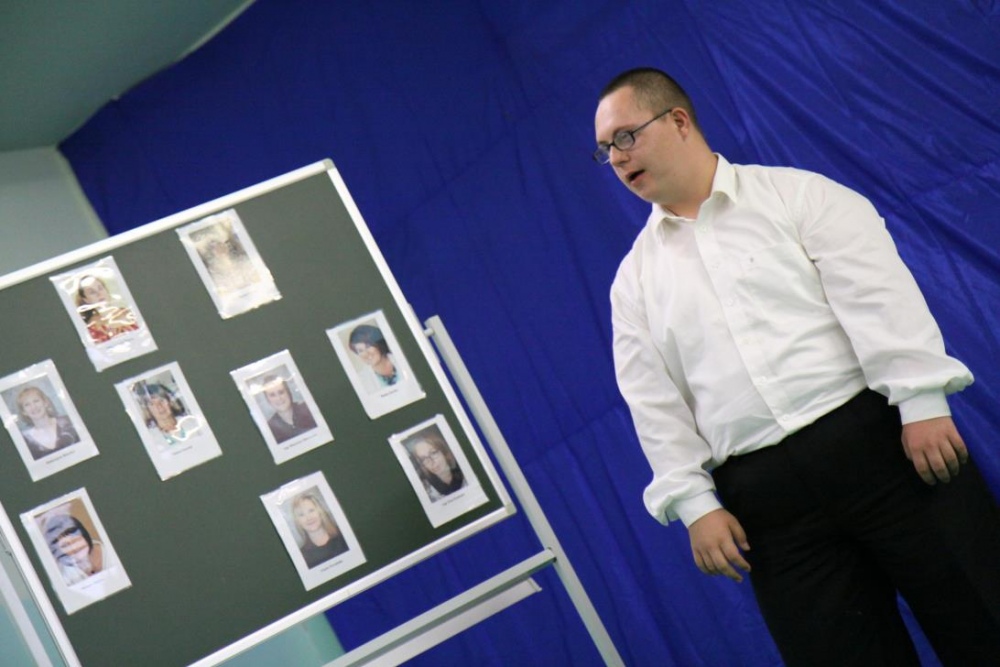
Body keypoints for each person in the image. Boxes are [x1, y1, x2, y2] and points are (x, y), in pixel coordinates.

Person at [596, 67, 1000, 666]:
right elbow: (653, 402)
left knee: (985, 621)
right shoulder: (633, 283)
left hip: (889, 448)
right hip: (769, 509)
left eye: (626, 136)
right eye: (605, 149)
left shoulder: (798, 196)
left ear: (679, 121)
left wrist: (922, 403)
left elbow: (878, 298)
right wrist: (695, 505)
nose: (616, 157)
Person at [15, 386, 80, 460]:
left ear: (45, 402)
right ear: (24, 412)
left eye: (36, 401)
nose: (33, 407)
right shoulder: (25, 441)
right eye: (27, 404)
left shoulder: (68, 421)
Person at [41, 512, 103, 585]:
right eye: (65, 545)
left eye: (75, 540)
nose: (73, 548)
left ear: (84, 536)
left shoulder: (108, 550)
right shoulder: (65, 577)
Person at [75, 274, 139, 343]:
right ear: (86, 300)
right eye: (92, 292)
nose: (99, 294)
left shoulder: (129, 313)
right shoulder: (90, 330)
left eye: (100, 288)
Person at [290, 491, 347, 568]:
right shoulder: (302, 556)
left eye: (311, 511)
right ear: (298, 522)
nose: (308, 518)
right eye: (301, 515)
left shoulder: (344, 534)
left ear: (320, 512)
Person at [134, 382, 198, 447]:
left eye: (161, 401)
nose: (159, 406)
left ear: (170, 402)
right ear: (148, 410)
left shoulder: (193, 422)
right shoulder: (149, 438)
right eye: (152, 404)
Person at [408, 430, 466, 500]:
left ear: (444, 452)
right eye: (423, 459)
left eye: (433, 453)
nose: (431, 462)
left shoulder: (465, 472)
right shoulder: (428, 492)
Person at [260, 375, 316, 443]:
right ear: (267, 399)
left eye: (281, 392)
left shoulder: (308, 409)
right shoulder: (269, 429)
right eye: (272, 395)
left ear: (288, 392)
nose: (279, 398)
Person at [348, 324, 400, 390]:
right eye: (360, 351)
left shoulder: (400, 357)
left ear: (378, 344)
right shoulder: (362, 380)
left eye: (368, 346)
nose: (366, 353)